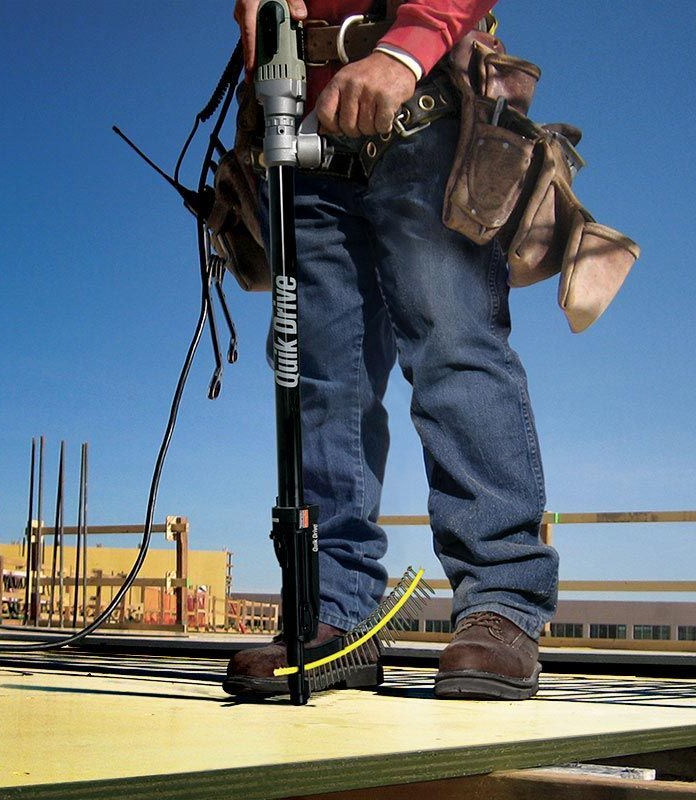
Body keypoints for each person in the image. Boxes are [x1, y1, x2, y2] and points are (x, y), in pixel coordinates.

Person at [223, 0, 559, 700]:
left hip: (425, 107)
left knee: (451, 342)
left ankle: (501, 602)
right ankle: (331, 613)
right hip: (303, 133)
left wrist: (403, 50)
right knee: (319, 380)